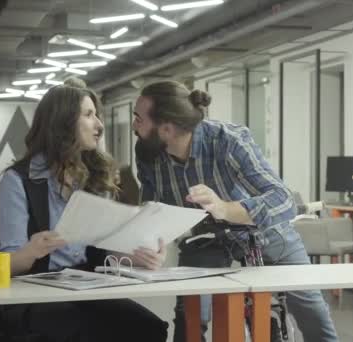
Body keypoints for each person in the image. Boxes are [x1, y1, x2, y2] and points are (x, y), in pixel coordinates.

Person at [132, 80, 339, 342]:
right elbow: (153, 212)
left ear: (167, 128)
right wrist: (149, 241)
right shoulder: (148, 153)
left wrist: (225, 208)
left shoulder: (227, 140)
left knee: (314, 317)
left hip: (263, 232)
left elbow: (283, 199)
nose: (134, 126)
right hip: (206, 239)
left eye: (139, 119)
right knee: (189, 323)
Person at [0, 85, 168, 342]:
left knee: (149, 328)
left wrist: (138, 257)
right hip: (33, 293)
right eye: (88, 115)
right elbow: (7, 264)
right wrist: (33, 250)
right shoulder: (18, 179)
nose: (98, 124)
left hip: (85, 288)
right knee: (86, 331)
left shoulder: (93, 176)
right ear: (62, 122)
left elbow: (100, 249)